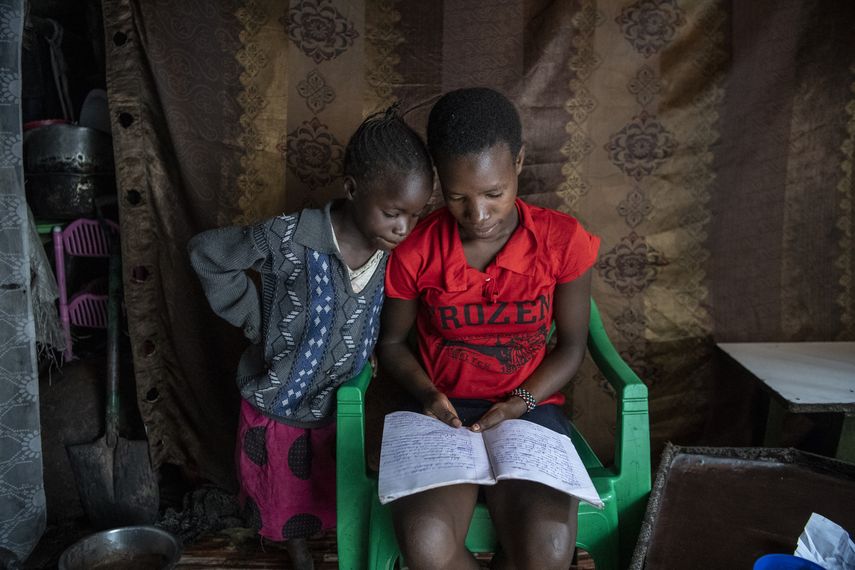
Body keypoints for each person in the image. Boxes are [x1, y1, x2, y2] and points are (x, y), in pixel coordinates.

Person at [188, 106, 434, 570]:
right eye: (393, 213)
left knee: (325, 481)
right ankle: (294, 546)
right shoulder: (288, 239)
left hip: (338, 403)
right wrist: (257, 321)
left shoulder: (391, 252)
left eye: (415, 215)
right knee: (282, 490)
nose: (404, 228)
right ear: (352, 188)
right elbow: (208, 255)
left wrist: (369, 345)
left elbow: (374, 305)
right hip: (281, 398)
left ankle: (319, 535)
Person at [377, 87, 601, 570]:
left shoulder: (562, 241)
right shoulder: (416, 249)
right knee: (426, 543)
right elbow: (392, 343)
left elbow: (572, 346)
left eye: (493, 194)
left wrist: (520, 402)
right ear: (438, 178)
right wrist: (428, 395)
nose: (477, 215)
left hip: (529, 411)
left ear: (518, 161)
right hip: (441, 414)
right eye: (457, 197)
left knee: (549, 549)